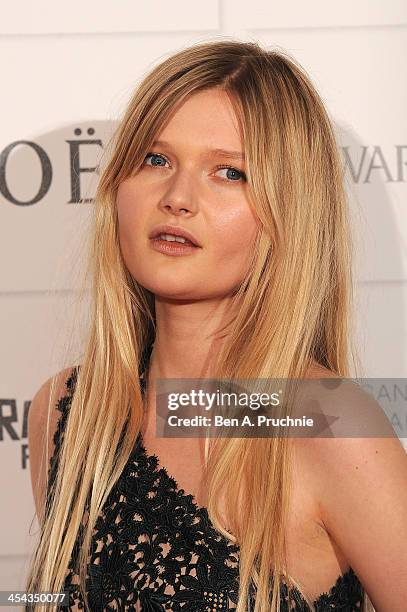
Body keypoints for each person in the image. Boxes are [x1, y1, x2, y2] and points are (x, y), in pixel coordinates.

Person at [26, 39, 407, 611]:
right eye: (155, 160)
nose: (177, 197)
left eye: (230, 173)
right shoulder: (65, 412)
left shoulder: (330, 427)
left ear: (289, 213)